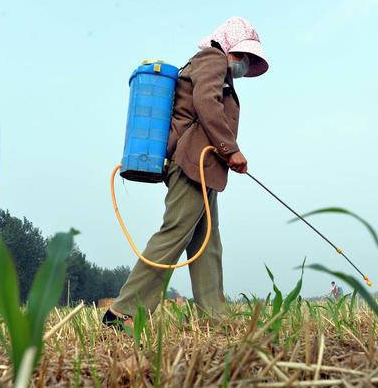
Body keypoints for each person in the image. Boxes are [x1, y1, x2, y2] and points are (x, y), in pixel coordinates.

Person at [103, 17, 269, 329]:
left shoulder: (214, 66)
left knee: (206, 241)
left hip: (204, 167)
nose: (245, 63)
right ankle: (123, 312)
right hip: (193, 163)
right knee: (175, 233)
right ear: (228, 45)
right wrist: (230, 148)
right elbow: (206, 102)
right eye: (243, 55)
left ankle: (214, 315)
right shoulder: (211, 59)